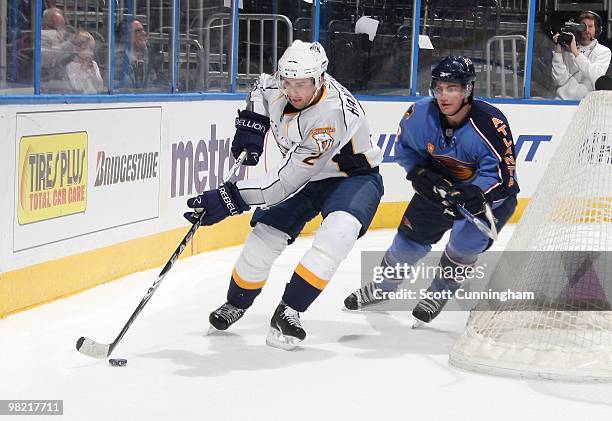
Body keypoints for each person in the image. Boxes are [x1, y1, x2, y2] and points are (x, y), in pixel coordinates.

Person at [184, 40, 383, 349]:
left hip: (350, 178)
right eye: (287, 82)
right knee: (263, 238)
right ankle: (237, 302)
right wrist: (252, 126)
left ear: (320, 78)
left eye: (302, 84)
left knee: (338, 235)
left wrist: (228, 198)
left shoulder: (332, 116)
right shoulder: (277, 86)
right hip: (304, 175)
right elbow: (259, 91)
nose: (293, 91)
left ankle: (289, 310)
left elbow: (281, 186)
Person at [343, 56, 519, 326]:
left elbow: (503, 175)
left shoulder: (490, 123)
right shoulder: (420, 115)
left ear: (468, 89)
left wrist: (476, 194)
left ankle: (438, 294)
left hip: (485, 199)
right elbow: (405, 152)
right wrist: (422, 175)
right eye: (439, 88)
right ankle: (382, 288)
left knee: (462, 248)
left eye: (453, 88)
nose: (444, 95)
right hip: (440, 189)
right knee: (406, 244)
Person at [552, 10, 611, 100]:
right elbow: (559, 80)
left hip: (585, 104)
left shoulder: (603, 51)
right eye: (583, 26)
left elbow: (595, 76)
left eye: (590, 26)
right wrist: (558, 52)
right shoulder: (568, 48)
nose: (586, 30)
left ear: (597, 30)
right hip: (561, 101)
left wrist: (576, 52)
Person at [115, 19, 166, 90]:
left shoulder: (151, 57)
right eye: (138, 31)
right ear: (126, 36)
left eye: (143, 30)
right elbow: (115, 86)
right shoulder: (117, 60)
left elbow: (159, 83)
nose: (143, 33)